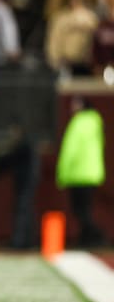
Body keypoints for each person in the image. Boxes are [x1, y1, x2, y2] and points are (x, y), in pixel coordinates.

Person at [56, 97, 107, 248]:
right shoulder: (96, 123)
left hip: (78, 174)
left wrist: (62, 174)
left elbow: (70, 150)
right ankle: (87, 239)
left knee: (80, 210)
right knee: (85, 210)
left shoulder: (78, 123)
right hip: (92, 173)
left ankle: (97, 236)